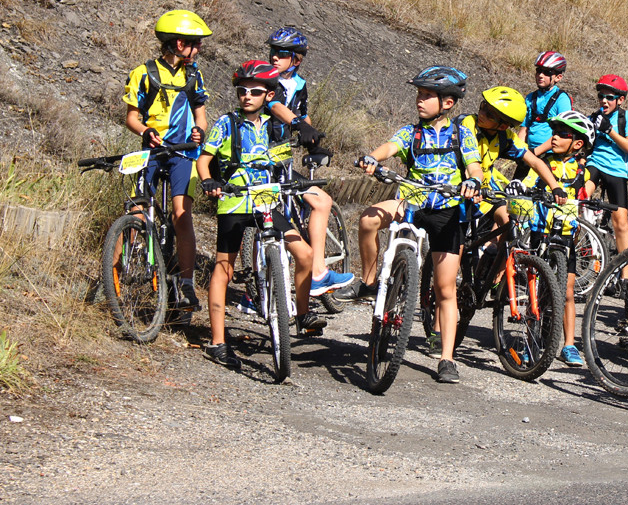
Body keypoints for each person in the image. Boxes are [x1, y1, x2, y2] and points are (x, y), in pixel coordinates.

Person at [338, 66, 484, 384]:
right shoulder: (410, 133)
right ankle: (369, 279)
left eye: (427, 95)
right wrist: (370, 160)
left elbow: (475, 167)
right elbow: (386, 149)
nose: (419, 100)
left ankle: (446, 359)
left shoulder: (462, 135)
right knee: (368, 219)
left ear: (447, 103)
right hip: (412, 205)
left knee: (446, 289)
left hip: (447, 213)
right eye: (418, 94)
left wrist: (473, 182)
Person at [196, 61, 326, 370]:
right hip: (235, 202)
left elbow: (290, 137)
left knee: (305, 254)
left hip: (267, 202)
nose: (247, 96)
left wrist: (312, 144)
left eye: (255, 91)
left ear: (268, 95)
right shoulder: (226, 123)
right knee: (223, 269)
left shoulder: (274, 125)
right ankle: (217, 342)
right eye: (242, 91)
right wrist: (207, 181)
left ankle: (302, 313)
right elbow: (205, 160)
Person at [122, 9, 211, 315]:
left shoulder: (194, 75)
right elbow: (132, 117)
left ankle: (186, 283)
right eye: (193, 43)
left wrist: (200, 130)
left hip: (184, 152)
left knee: (180, 213)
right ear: (176, 43)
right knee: (137, 208)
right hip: (151, 150)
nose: (197, 48)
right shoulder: (143, 73)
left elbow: (200, 114)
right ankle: (124, 268)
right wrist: (145, 130)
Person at [264, 27, 352, 297]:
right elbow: (274, 106)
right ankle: (312, 273)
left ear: (297, 60)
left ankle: (317, 273)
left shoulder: (299, 85)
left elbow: (303, 114)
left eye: (281, 54)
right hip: (260, 157)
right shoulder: (264, 79)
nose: (274, 58)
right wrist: (298, 124)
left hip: (283, 160)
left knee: (321, 201)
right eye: (272, 52)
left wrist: (311, 137)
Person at [513, 110, 597, 368]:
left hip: (565, 234)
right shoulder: (544, 160)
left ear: (578, 143)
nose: (555, 137)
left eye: (562, 134)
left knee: (568, 292)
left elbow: (587, 191)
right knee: (535, 289)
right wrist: (522, 186)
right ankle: (531, 340)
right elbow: (528, 175)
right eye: (554, 133)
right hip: (540, 231)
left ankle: (569, 344)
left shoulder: (583, 168)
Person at [461, 85, 565, 225]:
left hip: (485, 191)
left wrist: (555, 187)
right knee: (457, 246)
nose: (482, 113)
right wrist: (475, 184)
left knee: (509, 222)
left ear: (503, 126)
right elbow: (471, 165)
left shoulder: (505, 137)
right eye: (483, 106)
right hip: (462, 188)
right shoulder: (469, 123)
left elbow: (534, 162)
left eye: (490, 114)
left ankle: (491, 247)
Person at [587, 74, 628, 276]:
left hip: (616, 170)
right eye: (601, 96)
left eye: (609, 97)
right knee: (578, 199)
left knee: (621, 223)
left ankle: (625, 275)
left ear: (620, 100)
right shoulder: (594, 116)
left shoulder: (627, 117)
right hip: (595, 164)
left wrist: (609, 131)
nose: (604, 101)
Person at [518, 51, 572, 157]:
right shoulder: (531, 98)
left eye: (547, 72)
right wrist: (519, 150)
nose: (541, 75)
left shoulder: (562, 99)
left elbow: (563, 133)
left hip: (550, 154)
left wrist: (535, 152)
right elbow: (524, 129)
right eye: (539, 71)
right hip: (530, 152)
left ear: (558, 77)